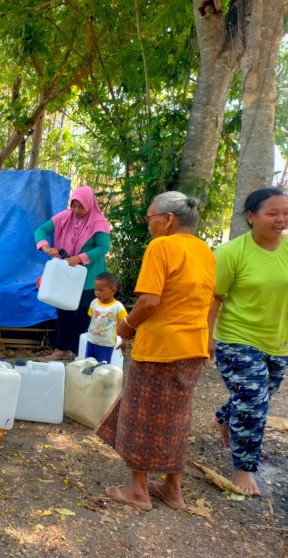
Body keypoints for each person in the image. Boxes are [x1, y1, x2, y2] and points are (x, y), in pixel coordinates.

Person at [97, 191, 215, 511]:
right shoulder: (205, 250)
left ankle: (138, 490)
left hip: (160, 347)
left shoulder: (162, 246)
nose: (149, 226)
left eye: (150, 219)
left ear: (168, 219)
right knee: (176, 418)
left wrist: (127, 326)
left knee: (142, 416)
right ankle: (173, 490)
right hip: (192, 347)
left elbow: (149, 301)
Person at [208, 187, 288, 496]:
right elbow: (213, 298)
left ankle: (222, 420)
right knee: (254, 403)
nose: (281, 219)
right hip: (237, 338)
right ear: (251, 217)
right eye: (272, 213)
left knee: (256, 397)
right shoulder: (231, 253)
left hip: (279, 342)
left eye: (285, 213)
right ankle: (243, 470)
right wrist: (207, 337)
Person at [34, 185, 110, 360]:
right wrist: (46, 247)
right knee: (63, 308)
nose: (76, 210)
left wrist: (80, 258)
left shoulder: (98, 222)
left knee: (84, 312)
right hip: (67, 273)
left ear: (89, 204)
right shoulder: (65, 217)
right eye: (74, 205)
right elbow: (41, 230)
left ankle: (82, 352)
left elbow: (103, 247)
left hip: (90, 276)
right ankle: (63, 348)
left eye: (81, 206)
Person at [85, 272, 127, 363]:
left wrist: (124, 340)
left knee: (102, 368)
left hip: (106, 345)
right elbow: (92, 319)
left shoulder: (118, 307)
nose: (97, 293)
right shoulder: (94, 303)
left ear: (113, 290)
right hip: (91, 341)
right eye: (95, 290)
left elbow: (125, 325)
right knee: (88, 365)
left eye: (101, 290)